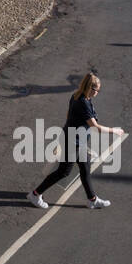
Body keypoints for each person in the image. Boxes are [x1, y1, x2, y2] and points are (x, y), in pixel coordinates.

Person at [26, 72, 124, 210]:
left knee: (85, 167)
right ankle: (35, 194)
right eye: (97, 90)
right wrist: (115, 131)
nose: (98, 93)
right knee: (63, 172)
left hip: (77, 141)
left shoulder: (77, 95)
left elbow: (69, 115)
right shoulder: (83, 103)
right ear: (90, 88)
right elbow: (95, 126)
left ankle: (92, 199)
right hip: (73, 143)